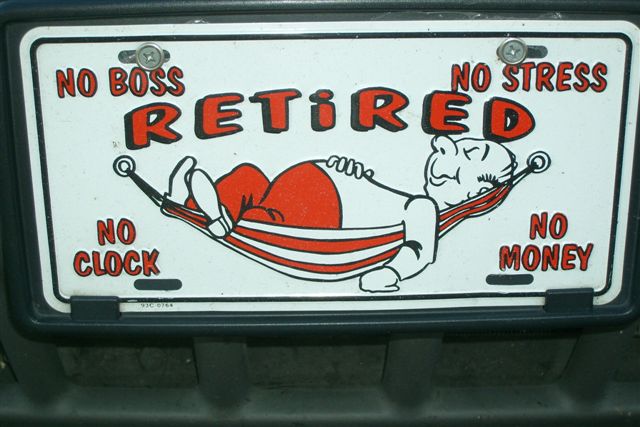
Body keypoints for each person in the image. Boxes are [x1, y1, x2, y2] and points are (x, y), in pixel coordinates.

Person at [164, 135, 517, 293]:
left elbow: (419, 251)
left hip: (321, 206)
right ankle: (212, 212)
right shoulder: (413, 189)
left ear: (478, 194)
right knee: (260, 205)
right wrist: (353, 171)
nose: (444, 144)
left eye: (469, 153)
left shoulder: (426, 208)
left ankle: (204, 207)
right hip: (320, 196)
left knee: (250, 183)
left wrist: (391, 272)